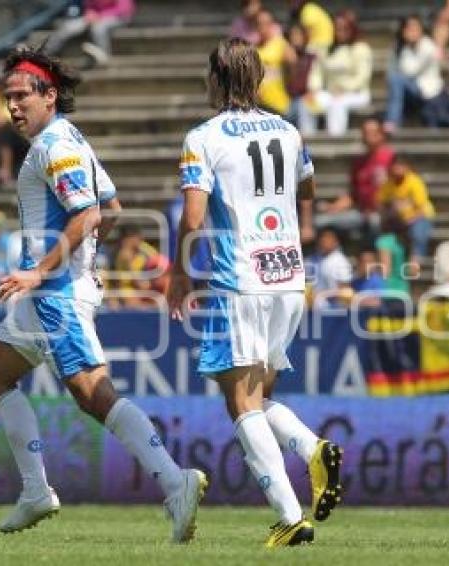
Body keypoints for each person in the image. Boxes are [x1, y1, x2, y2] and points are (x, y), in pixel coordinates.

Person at [0, 45, 204, 541]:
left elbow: (89, 215)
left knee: (92, 393)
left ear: (49, 95)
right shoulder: (69, 139)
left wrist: (41, 271)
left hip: (56, 293)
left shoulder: (54, 147)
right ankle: (36, 491)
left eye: (22, 97)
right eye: (8, 97)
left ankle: (174, 480)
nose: (13, 106)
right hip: (55, 291)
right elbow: (113, 205)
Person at [168, 38, 343, 547]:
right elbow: (308, 188)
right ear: (258, 79)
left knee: (239, 401)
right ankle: (311, 452)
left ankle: (290, 514)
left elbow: (195, 217)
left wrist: (180, 272)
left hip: (238, 279)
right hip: (288, 275)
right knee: (259, 393)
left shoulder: (204, 136)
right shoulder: (288, 131)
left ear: (216, 79)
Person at [317, 117, 393, 236]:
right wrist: (333, 207)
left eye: (372, 133)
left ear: (381, 135)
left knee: (375, 222)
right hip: (361, 213)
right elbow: (353, 196)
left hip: (384, 215)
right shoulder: (359, 162)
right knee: (321, 222)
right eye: (365, 133)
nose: (367, 136)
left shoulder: (391, 159)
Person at [303, 9, 372, 136]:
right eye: (337, 28)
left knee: (337, 104)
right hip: (331, 92)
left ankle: (335, 138)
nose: (340, 32)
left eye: (344, 28)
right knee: (307, 103)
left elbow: (363, 77)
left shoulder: (361, 49)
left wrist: (344, 88)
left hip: (356, 93)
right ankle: (307, 140)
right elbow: (317, 72)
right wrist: (314, 89)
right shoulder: (326, 49)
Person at [385, 15, 449, 131]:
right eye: (409, 29)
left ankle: (392, 121)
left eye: (415, 28)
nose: (412, 32)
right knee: (395, 80)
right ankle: (392, 121)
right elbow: (392, 71)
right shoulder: (402, 49)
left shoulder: (427, 45)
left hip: (427, 90)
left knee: (396, 79)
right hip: (411, 90)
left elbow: (410, 71)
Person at [377, 154, 435, 261]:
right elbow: (381, 203)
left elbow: (421, 209)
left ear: (407, 167)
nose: (398, 169)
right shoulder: (388, 184)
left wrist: (409, 219)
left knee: (418, 232)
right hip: (398, 220)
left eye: (401, 165)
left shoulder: (415, 182)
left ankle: (416, 259)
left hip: (419, 217)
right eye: (395, 166)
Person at [45, 0, 135, 67]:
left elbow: (125, 9)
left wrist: (101, 16)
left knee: (99, 28)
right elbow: (89, 5)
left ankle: (103, 55)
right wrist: (90, 13)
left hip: (118, 17)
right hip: (94, 17)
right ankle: (47, 52)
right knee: (69, 26)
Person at [106, 224, 171, 309]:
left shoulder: (148, 253)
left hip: (146, 290)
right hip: (125, 293)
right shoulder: (116, 255)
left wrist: (129, 266)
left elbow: (145, 285)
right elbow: (113, 283)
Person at [255, 9, 292, 116]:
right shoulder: (253, 48)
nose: (262, 27)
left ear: (272, 25)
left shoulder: (280, 44)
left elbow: (294, 67)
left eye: (266, 23)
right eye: (259, 24)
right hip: (260, 105)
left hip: (279, 104)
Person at [307, 227, 353, 307]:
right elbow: (307, 283)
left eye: (328, 238)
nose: (324, 240)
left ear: (336, 242)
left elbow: (345, 290)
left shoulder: (341, 261)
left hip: (333, 306)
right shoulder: (312, 259)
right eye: (322, 237)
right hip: (312, 303)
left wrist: (322, 295)